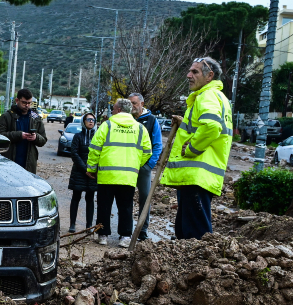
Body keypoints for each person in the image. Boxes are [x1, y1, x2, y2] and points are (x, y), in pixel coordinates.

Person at [160, 56, 233, 240]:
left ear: (209, 76)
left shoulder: (207, 96)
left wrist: (192, 148)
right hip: (196, 177)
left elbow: (212, 126)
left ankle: (198, 268)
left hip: (196, 174)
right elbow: (206, 125)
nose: (188, 75)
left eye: (195, 71)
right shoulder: (218, 97)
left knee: (194, 234)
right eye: (189, 71)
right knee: (186, 230)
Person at [86, 98, 151, 246]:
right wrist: (135, 164)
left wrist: (91, 168)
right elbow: (147, 151)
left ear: (119, 110)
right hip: (128, 176)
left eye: (114, 108)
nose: (112, 111)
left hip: (107, 175)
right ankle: (125, 236)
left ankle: (102, 235)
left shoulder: (107, 126)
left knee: (104, 206)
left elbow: (95, 148)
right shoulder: (140, 128)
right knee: (126, 207)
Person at [127, 92, 163, 241]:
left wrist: (149, 165)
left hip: (143, 168)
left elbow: (157, 145)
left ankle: (142, 230)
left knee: (145, 199)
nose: (132, 106)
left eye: (134, 103)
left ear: (142, 103)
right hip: (127, 167)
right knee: (126, 199)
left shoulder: (151, 120)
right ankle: (126, 231)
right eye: (130, 104)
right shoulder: (126, 119)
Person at [0, 88, 47, 173]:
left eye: (29, 103)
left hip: (29, 164)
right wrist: (19, 135)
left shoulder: (36, 118)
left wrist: (36, 137)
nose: (27, 105)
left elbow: (43, 140)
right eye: (24, 103)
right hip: (10, 163)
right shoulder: (6, 116)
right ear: (17, 100)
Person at [66, 112, 97, 233]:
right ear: (83, 122)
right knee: (76, 197)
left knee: (90, 198)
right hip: (79, 171)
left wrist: (92, 170)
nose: (91, 122)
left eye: (93, 120)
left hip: (93, 172)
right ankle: (72, 224)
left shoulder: (97, 136)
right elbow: (74, 154)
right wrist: (85, 169)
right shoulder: (78, 136)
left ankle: (89, 226)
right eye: (88, 119)